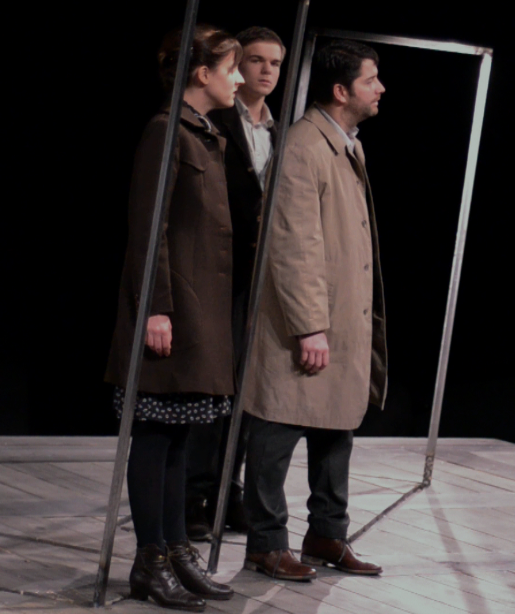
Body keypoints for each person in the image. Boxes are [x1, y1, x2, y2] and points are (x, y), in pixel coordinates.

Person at [104, 25, 244, 611]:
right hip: (173, 310)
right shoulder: (166, 131)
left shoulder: (204, 132)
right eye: (231, 68)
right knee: (156, 435)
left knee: (182, 437)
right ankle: (150, 561)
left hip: (200, 312)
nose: (240, 79)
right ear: (202, 73)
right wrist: (155, 308)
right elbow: (149, 227)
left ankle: (177, 550)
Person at [239, 39, 388, 581]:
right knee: (278, 426)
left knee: (336, 429)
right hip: (306, 323)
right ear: (341, 90)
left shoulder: (345, 145)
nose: (380, 88)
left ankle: (327, 533)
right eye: (371, 79)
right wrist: (309, 326)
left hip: (341, 317)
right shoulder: (304, 146)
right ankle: (266, 543)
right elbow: (292, 242)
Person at [185, 25, 286, 542]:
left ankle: (229, 490)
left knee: (248, 388)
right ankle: (194, 496)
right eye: (256, 60)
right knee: (214, 385)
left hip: (264, 277)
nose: (267, 71)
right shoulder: (217, 121)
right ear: (237, 67)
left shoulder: (281, 130)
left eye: (275, 63)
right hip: (222, 273)